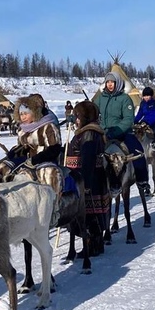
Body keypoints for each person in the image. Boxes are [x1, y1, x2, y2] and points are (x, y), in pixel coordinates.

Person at [65, 101, 110, 256]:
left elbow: (88, 159)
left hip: (88, 177)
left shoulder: (89, 133)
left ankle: (92, 245)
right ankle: (94, 244)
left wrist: (86, 182)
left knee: (89, 214)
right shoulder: (87, 131)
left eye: (78, 116)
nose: (76, 119)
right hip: (90, 177)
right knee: (91, 213)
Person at [96, 72, 149, 194]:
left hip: (122, 132)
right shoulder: (101, 98)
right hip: (104, 132)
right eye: (108, 82)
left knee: (137, 150)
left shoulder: (125, 99)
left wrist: (115, 131)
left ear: (117, 83)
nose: (110, 84)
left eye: (112, 82)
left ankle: (142, 179)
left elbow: (128, 119)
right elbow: (92, 110)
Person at [4, 93, 63, 171]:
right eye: (21, 114)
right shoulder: (22, 129)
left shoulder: (48, 127)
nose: (23, 117)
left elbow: (54, 149)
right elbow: (22, 147)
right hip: (28, 160)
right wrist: (14, 152)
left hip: (46, 161)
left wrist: (37, 158)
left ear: (34, 113)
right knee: (6, 167)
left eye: (26, 114)